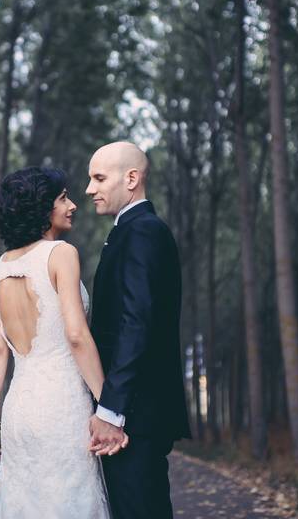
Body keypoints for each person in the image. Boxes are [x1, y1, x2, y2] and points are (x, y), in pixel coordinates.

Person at [0, 166, 115, 518]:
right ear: (42, 208)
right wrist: (108, 407)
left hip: (18, 409)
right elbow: (77, 336)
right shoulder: (60, 254)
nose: (73, 205)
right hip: (62, 407)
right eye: (63, 198)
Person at [85, 141, 191, 519]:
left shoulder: (142, 231)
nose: (89, 189)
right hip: (136, 409)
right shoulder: (129, 230)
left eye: (99, 178)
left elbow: (136, 322)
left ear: (131, 178)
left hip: (135, 413)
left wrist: (111, 410)